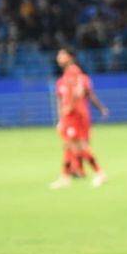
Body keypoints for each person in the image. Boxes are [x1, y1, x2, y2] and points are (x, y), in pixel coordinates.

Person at [49, 48, 108, 189]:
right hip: (70, 115)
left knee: (79, 145)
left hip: (75, 114)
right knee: (69, 145)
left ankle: (99, 173)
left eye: (62, 55)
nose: (58, 58)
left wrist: (69, 106)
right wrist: (62, 117)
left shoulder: (73, 72)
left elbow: (78, 91)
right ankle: (66, 176)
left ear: (70, 57)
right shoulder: (64, 77)